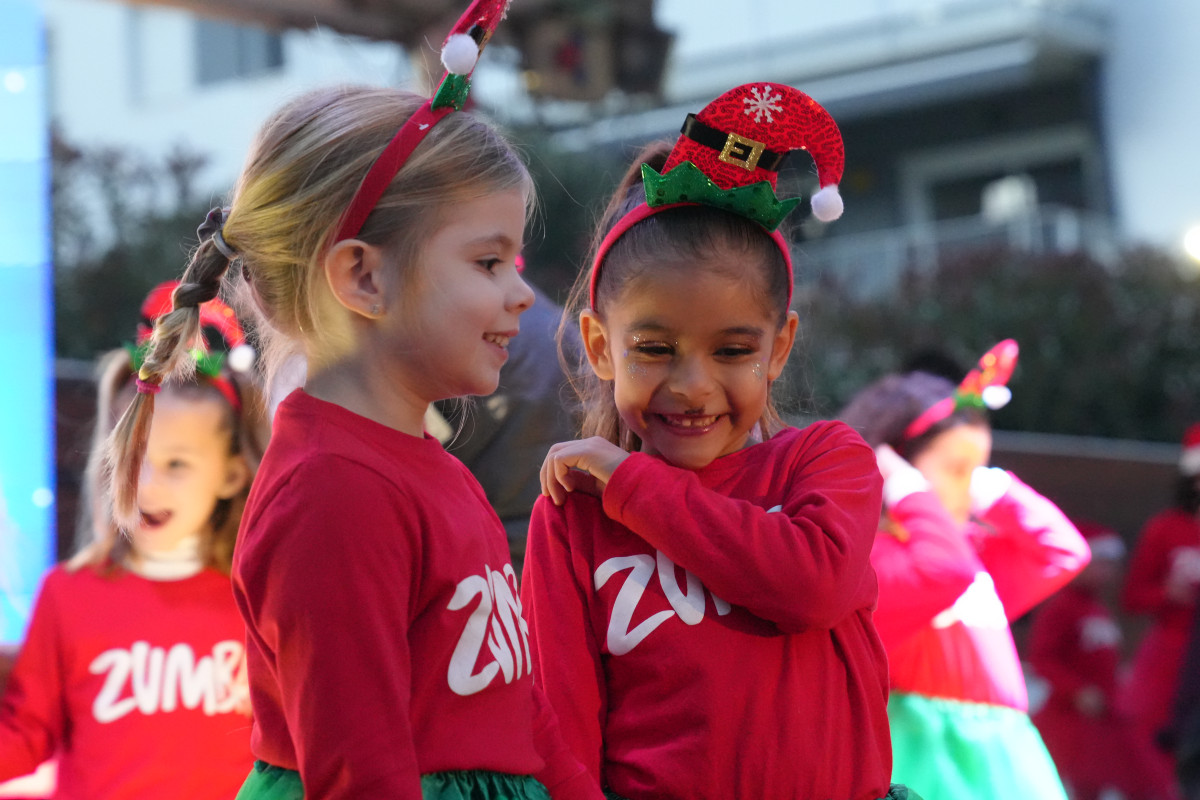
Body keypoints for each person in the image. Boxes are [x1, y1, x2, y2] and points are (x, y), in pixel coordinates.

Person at [105, 2, 601, 799]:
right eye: (487, 262)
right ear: (364, 277)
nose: (521, 296)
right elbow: (359, 770)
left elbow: (515, 704)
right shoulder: (331, 493)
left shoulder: (415, 457)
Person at [520, 82, 914, 800]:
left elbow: (810, 586)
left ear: (780, 347)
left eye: (733, 351)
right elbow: (562, 730)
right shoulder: (574, 515)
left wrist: (635, 486)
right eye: (655, 348)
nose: (693, 387)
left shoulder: (826, 461)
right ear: (601, 349)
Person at [0, 280, 266, 799]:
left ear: (233, 474)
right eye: (133, 459)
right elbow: (25, 735)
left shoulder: (262, 603)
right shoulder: (68, 595)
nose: (146, 485)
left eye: (176, 464)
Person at [838, 340, 1091, 800]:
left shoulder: (966, 552)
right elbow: (943, 573)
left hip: (1003, 762)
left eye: (981, 468)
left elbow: (1063, 552)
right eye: (957, 469)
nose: (969, 488)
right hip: (927, 756)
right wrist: (906, 489)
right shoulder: (876, 558)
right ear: (893, 462)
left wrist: (995, 488)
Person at [432, 279, 582, 573]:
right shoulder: (546, 321)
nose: (522, 295)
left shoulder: (466, 332)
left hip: (495, 562)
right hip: (554, 551)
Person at [1029, 519, 1180, 800]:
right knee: (1075, 783)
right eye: (1101, 563)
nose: (1107, 573)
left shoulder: (1097, 608)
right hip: (1071, 718)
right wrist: (1077, 690)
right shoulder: (1061, 607)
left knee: (1143, 782)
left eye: (1111, 565)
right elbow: (1043, 659)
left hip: (1106, 715)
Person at [1121, 423, 1200, 780]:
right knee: (1157, 757)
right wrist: (1166, 594)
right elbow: (1132, 596)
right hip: (1171, 660)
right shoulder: (1165, 528)